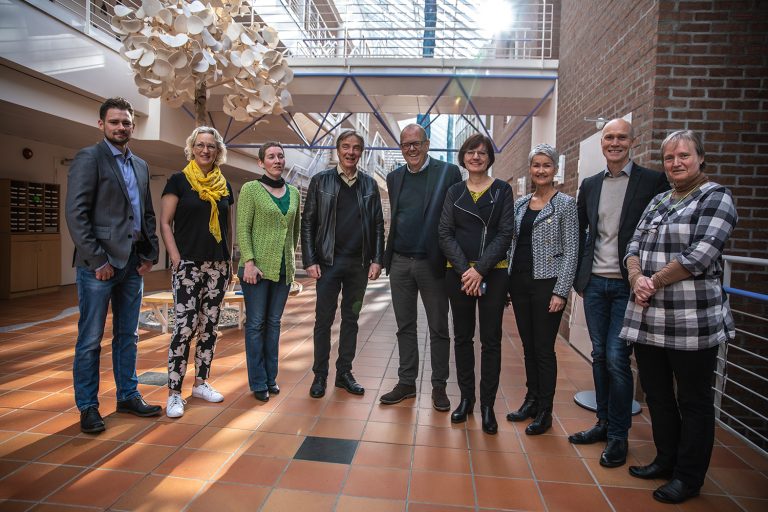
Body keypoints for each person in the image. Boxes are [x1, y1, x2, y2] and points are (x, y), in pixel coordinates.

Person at [621, 130, 737, 504]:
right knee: (657, 394)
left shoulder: (716, 197)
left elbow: (702, 254)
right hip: (650, 317)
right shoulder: (658, 200)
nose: (676, 163)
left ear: (700, 158)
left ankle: (688, 477)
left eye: (684, 155)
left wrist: (651, 281)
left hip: (692, 321)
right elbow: (633, 244)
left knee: (693, 399)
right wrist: (635, 277)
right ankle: (665, 459)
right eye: (669, 157)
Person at [568, 118, 670, 467]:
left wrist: (648, 278)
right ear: (602, 143)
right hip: (596, 284)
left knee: (616, 357)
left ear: (632, 141)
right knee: (599, 355)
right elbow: (582, 232)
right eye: (609, 137)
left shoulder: (652, 181)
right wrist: (580, 278)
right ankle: (602, 422)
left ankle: (618, 435)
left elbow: (658, 233)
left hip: (629, 285)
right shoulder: (590, 184)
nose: (614, 142)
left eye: (621, 137)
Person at [65, 97, 161, 433]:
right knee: (91, 338)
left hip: (132, 264)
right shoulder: (89, 158)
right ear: (101, 124)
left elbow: (146, 214)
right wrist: (99, 260)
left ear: (133, 126)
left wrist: (150, 254)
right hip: (98, 267)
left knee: (128, 335)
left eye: (126, 123)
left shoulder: (141, 165)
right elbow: (76, 215)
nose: (121, 127)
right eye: (114, 122)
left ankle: (128, 395)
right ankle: (88, 407)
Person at [380, 124, 462, 411]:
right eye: (406, 145)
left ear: (427, 144)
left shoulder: (448, 173)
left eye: (416, 143)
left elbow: (455, 218)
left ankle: (439, 386)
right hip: (400, 261)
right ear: (401, 148)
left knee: (439, 327)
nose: (411, 149)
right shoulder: (394, 177)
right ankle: (406, 383)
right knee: (405, 326)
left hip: (433, 262)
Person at [438, 133, 515, 434]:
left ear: (489, 158)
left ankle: (487, 406)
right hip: (458, 274)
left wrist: (479, 270)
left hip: (493, 274)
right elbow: (445, 233)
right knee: (462, 338)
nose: (476, 157)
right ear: (463, 157)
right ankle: (466, 399)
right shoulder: (454, 191)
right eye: (471, 152)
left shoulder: (502, 190)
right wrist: (466, 271)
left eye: (482, 152)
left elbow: (505, 233)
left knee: (491, 340)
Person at [301, 130, 385, 398]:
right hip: (328, 264)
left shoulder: (369, 185)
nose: (351, 152)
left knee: (351, 319)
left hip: (358, 266)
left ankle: (344, 373)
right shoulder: (320, 180)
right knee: (323, 320)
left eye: (356, 148)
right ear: (337, 150)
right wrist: (310, 260)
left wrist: (377, 259)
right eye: (346, 147)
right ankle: (320, 375)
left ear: (361, 152)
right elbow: (308, 222)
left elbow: (378, 224)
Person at [159, 126, 233, 418]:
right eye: (200, 145)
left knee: (209, 327)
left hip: (218, 266)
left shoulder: (224, 185)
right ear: (192, 148)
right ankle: (174, 393)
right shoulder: (178, 181)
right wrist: (175, 257)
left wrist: (229, 261)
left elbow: (227, 227)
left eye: (211, 146)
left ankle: (201, 383)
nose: (205, 150)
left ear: (218, 151)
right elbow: (165, 222)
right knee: (184, 328)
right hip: (188, 265)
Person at [506, 144, 578, 435]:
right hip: (520, 283)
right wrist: (507, 281)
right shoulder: (520, 204)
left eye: (546, 165)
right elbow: (512, 244)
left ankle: (545, 411)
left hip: (548, 284)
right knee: (528, 346)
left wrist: (561, 291)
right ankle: (531, 401)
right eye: (536, 165)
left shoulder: (566, 204)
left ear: (555, 169)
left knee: (543, 349)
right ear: (530, 169)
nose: (541, 170)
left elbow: (572, 251)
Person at [238, 142, 301, 402]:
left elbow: (295, 231)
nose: (277, 160)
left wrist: (291, 264)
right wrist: (249, 261)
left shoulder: (294, 192)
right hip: (256, 270)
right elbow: (243, 228)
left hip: (283, 269)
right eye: (271, 156)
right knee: (255, 324)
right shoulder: (251, 189)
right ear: (261, 162)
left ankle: (270, 378)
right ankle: (258, 381)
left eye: (281, 156)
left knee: (274, 323)